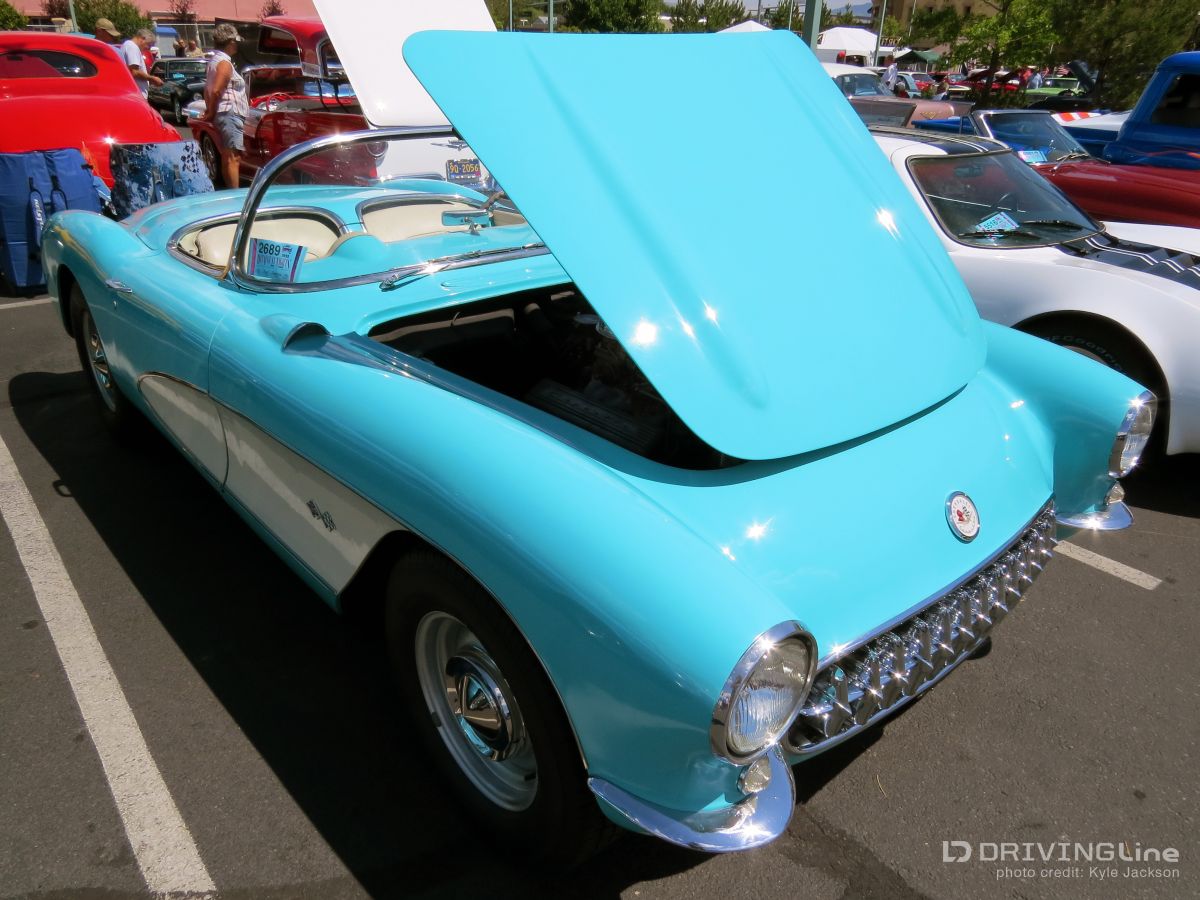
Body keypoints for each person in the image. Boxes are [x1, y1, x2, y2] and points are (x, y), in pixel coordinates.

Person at [202, 23, 248, 189]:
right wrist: (211, 111)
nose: (236, 45)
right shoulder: (224, 63)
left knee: (228, 156)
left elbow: (207, 90)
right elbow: (216, 90)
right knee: (232, 158)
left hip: (224, 113)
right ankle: (236, 196)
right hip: (230, 113)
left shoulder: (214, 61)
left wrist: (211, 110)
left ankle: (230, 192)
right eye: (235, 42)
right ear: (230, 42)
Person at [120, 29, 163, 98]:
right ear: (142, 39)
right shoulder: (132, 47)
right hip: (137, 95)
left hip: (134, 94)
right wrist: (152, 79)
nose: (148, 48)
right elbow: (134, 72)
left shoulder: (128, 45)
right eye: (148, 44)